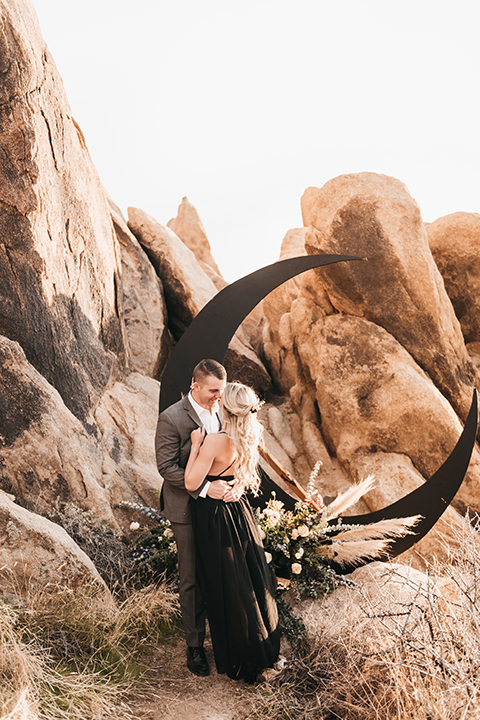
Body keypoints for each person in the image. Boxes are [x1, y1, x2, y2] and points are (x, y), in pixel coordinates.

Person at [185, 382, 280, 683]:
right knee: (247, 579)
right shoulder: (248, 438)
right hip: (239, 513)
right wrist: (236, 486)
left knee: (225, 583)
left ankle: (241, 654)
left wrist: (195, 447)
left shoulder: (213, 441)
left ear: (225, 408)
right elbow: (242, 477)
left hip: (214, 517)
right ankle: (260, 643)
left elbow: (190, 483)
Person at [155, 358, 230, 677]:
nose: (218, 396)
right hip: (186, 507)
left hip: (219, 507)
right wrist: (204, 488)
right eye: (213, 390)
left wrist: (231, 482)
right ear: (195, 386)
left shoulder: (223, 412)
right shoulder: (171, 418)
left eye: (222, 391)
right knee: (191, 577)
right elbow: (166, 466)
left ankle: (226, 638)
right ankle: (195, 646)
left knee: (222, 568)